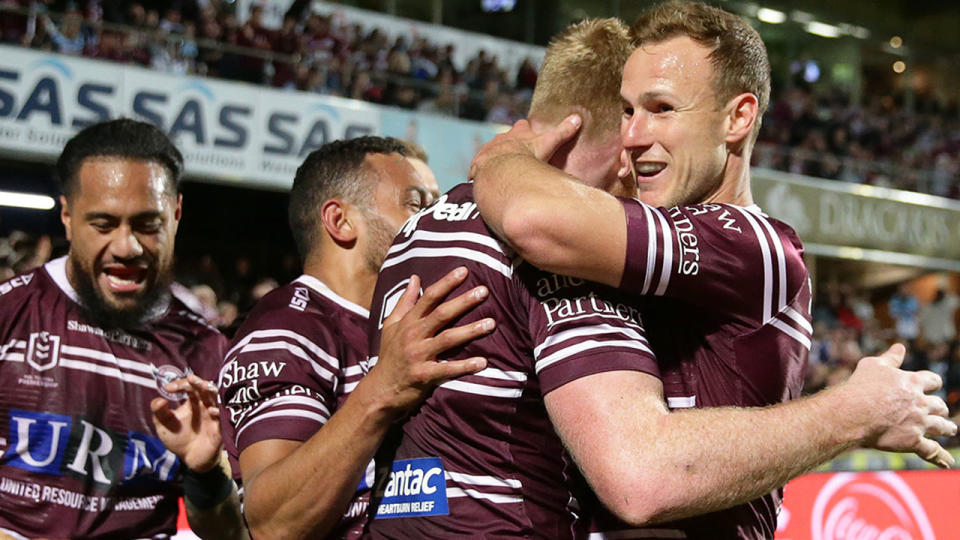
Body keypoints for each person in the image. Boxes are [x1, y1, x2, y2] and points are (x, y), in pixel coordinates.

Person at [366, 14, 954, 540]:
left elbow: (532, 218)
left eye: (662, 108)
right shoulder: (630, 243)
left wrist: (503, 157)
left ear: (738, 118)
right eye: (626, 110)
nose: (633, 136)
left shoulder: (749, 243)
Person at [217, 136, 493, 539]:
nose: (436, 220)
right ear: (340, 221)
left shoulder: (406, 323)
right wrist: (383, 388)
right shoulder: (287, 329)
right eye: (417, 204)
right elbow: (275, 522)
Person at [0, 119, 244, 539]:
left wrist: (206, 472)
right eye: (103, 224)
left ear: (177, 214)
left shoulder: (209, 355)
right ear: (67, 216)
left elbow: (230, 535)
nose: (127, 246)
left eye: (148, 224)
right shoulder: (8, 314)